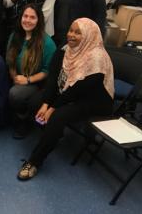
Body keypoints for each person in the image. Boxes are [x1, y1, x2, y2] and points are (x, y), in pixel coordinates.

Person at [17, 18, 114, 181]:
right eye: (71, 30)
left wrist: (52, 107)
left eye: (78, 32)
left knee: (57, 117)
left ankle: (34, 161)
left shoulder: (97, 59)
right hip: (67, 92)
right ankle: (53, 134)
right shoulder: (65, 50)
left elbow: (78, 91)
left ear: (90, 36)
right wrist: (46, 103)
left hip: (94, 101)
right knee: (35, 103)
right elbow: (54, 78)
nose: (72, 35)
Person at [6, 4, 56, 138]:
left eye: (32, 17)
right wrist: (14, 77)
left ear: (38, 20)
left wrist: (27, 80)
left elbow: (47, 71)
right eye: (25, 16)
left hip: (37, 83)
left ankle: (24, 120)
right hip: (17, 77)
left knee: (15, 94)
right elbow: (10, 61)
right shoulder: (14, 36)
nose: (27, 20)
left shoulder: (47, 43)